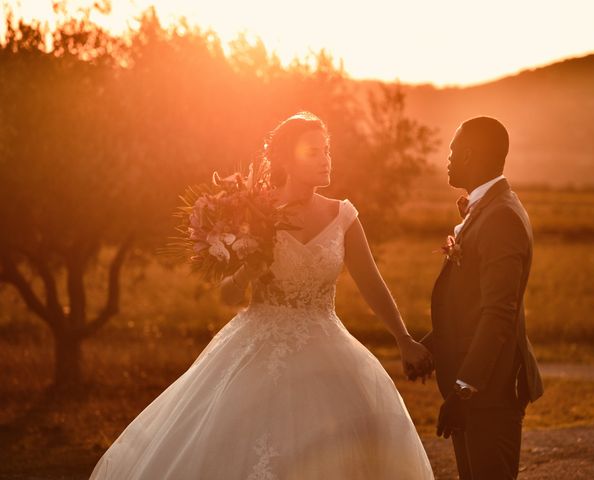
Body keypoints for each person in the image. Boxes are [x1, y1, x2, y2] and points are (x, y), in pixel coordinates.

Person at [89, 111, 434, 479]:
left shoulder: (344, 215)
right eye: (313, 152)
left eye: (327, 150)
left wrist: (403, 338)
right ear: (286, 159)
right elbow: (227, 296)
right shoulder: (253, 212)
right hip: (257, 346)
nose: (325, 160)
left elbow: (372, 283)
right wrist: (248, 269)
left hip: (327, 345)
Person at [415, 117, 544, 480]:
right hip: (479, 390)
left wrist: (464, 390)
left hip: (491, 392)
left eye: (453, 150)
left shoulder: (501, 217)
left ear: (469, 154)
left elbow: (498, 315)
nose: (449, 158)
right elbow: (468, 305)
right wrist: (430, 349)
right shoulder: (488, 208)